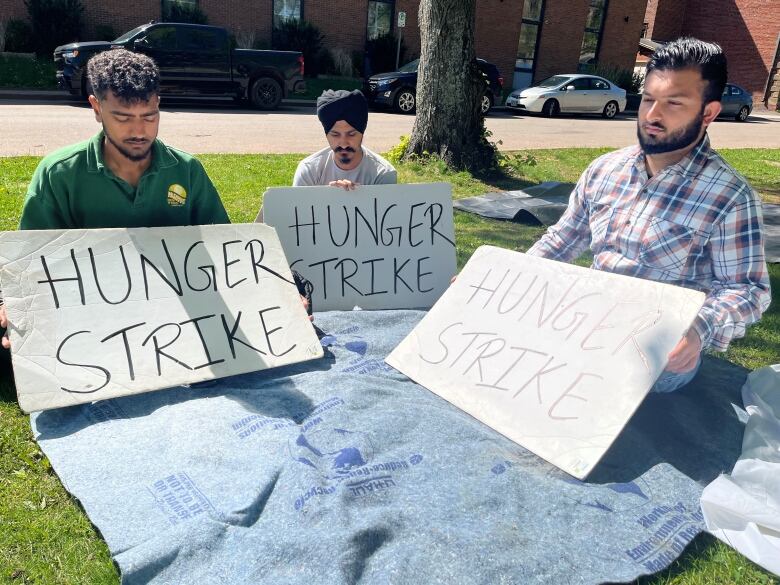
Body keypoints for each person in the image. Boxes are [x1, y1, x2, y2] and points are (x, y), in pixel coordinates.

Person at [526, 37, 771, 393]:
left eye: (673, 103)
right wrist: (499, 278)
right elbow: (563, 239)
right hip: (585, 324)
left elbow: (747, 289)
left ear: (709, 113)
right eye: (649, 99)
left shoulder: (730, 197)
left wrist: (699, 330)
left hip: (656, 355)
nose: (653, 115)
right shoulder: (605, 170)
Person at [1, 48, 230, 349]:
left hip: (174, 319)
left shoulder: (186, 170)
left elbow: (226, 251)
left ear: (159, 105)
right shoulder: (59, 174)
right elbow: (32, 263)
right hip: (88, 327)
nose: (138, 130)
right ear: (96, 108)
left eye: (149, 116)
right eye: (122, 117)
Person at [294, 89, 397, 190]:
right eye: (335, 135)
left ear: (362, 132)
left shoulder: (382, 173)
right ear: (327, 135)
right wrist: (326, 196)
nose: (343, 144)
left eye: (351, 134)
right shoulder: (309, 171)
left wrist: (357, 196)